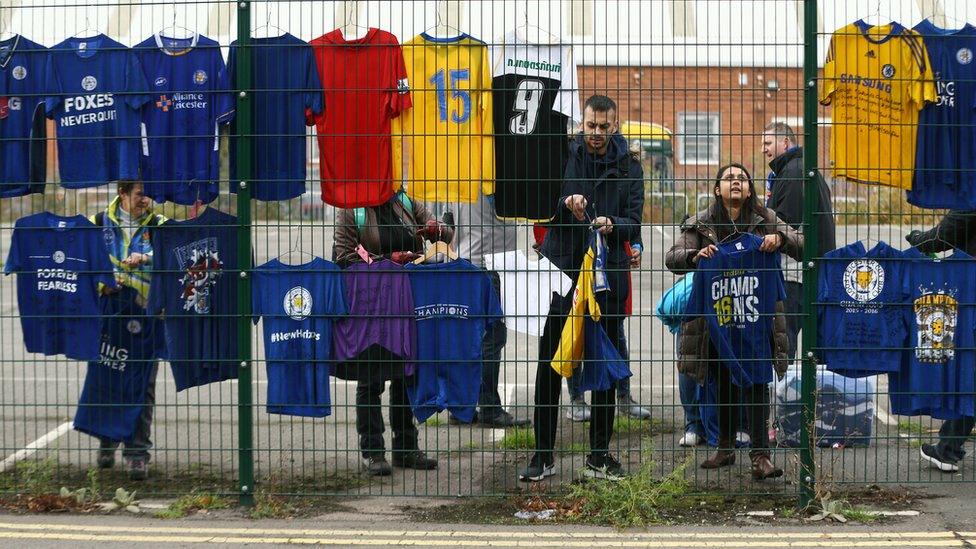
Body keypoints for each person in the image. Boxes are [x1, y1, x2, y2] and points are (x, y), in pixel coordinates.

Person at [520, 94, 644, 482]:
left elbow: (634, 222)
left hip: (606, 274)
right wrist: (564, 203)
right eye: (591, 125)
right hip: (562, 270)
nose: (596, 133)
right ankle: (543, 454)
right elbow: (540, 203)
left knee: (603, 366)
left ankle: (599, 455)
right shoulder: (564, 154)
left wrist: (612, 224)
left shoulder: (630, 168)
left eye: (604, 127)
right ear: (582, 123)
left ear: (616, 125)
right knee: (549, 363)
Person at [665, 163, 802, 480]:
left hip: (756, 317)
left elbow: (802, 241)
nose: (736, 183)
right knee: (722, 380)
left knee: (756, 381)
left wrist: (779, 238)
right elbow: (673, 257)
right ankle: (725, 447)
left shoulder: (765, 219)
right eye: (729, 179)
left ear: (750, 188)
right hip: (716, 318)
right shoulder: (701, 223)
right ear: (717, 189)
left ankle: (760, 456)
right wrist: (694, 256)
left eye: (742, 179)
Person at [333, 191, 452, 476]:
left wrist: (437, 230)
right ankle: (373, 451)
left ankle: (406, 448)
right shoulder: (354, 207)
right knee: (370, 377)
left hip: (405, 301)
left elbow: (445, 235)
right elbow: (343, 256)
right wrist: (387, 260)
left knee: (405, 372)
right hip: (369, 304)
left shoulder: (406, 202)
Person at [90, 180, 165, 480]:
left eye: (147, 194)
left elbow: (174, 255)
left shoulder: (159, 225)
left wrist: (145, 257)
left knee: (143, 385)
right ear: (122, 194)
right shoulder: (99, 222)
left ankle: (137, 453)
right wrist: (103, 284)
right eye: (138, 194)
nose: (144, 199)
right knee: (108, 378)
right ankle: (107, 442)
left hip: (147, 313)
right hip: (109, 311)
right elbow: (87, 262)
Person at [906, 213, 976, 473]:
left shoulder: (969, 187)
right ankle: (948, 447)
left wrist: (917, 239)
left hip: (972, 285)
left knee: (970, 372)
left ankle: (948, 449)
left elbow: (943, 236)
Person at [761, 122, 836, 362]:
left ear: (785, 143)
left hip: (796, 272)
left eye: (768, 143)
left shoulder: (794, 173)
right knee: (808, 342)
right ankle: (804, 393)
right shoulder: (798, 169)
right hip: (809, 270)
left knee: (786, 338)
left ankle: (785, 394)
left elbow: (784, 225)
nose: (764, 149)